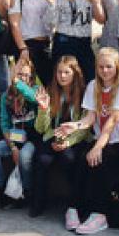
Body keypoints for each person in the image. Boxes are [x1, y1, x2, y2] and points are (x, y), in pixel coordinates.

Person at [56, 47, 119, 234]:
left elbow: (112, 122)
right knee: (81, 159)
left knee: (100, 160)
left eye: (109, 67)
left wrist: (97, 147)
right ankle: (74, 208)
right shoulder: (93, 86)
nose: (105, 71)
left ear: (117, 67)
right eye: (101, 67)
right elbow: (90, 118)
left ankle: (100, 215)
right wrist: (75, 125)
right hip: (100, 139)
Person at [32, 56, 90, 218]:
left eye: (66, 72)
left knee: (69, 158)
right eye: (59, 72)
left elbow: (85, 128)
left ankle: (74, 203)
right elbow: (40, 128)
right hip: (54, 135)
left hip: (75, 137)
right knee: (42, 159)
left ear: (75, 74)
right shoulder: (51, 91)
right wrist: (43, 109)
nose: (62, 76)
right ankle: (38, 202)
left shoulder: (84, 93)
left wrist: (68, 142)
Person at [0, 59, 41, 210]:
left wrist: (18, 83)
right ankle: (3, 187)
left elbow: (33, 98)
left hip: (31, 138)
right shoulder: (6, 96)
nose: (23, 78)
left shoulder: (35, 90)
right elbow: (4, 123)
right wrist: (12, 147)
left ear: (32, 77)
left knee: (25, 156)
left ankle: (27, 191)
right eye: (19, 74)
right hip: (14, 136)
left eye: (26, 75)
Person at [52, 0, 103, 82]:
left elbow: (101, 19)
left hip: (84, 42)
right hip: (64, 41)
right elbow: (52, 22)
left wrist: (95, 1)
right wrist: (51, 4)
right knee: (64, 82)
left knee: (90, 80)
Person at [9, 0, 56, 86]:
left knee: (51, 85)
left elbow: (52, 23)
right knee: (24, 86)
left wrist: (52, 4)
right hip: (26, 45)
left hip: (44, 45)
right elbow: (14, 24)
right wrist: (23, 48)